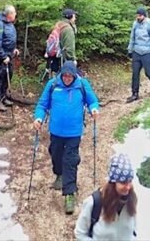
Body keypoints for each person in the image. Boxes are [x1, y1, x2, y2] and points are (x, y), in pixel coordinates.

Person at [33, 61, 100, 214]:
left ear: (75, 75)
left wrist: (94, 109)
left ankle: (69, 193)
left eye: (71, 76)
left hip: (74, 132)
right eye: (65, 75)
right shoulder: (52, 85)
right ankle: (59, 174)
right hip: (55, 131)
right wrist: (38, 118)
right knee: (56, 154)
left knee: (70, 160)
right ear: (61, 74)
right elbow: (42, 105)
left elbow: (92, 100)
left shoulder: (82, 85)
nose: (68, 78)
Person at [74, 153, 138, 241]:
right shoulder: (94, 203)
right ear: (113, 182)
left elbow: (133, 232)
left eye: (130, 181)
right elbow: (80, 234)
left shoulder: (131, 201)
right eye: (123, 182)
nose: (128, 187)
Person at [126, 7, 150, 103]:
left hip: (147, 52)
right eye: (137, 15)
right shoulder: (135, 24)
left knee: (148, 72)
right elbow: (132, 38)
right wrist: (130, 50)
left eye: (140, 15)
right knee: (135, 73)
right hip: (136, 51)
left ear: (144, 16)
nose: (138, 17)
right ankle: (135, 93)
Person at [0, 5, 19, 112]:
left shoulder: (9, 24)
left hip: (9, 55)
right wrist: (2, 56)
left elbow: (9, 39)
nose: (15, 14)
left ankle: (3, 97)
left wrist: (14, 49)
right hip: (1, 57)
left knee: (8, 76)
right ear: (9, 14)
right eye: (14, 13)